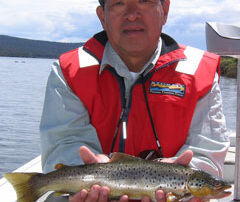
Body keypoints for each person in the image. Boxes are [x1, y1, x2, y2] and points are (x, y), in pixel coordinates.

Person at [40, 0, 230, 201]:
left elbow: (207, 152)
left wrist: (184, 173)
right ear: (102, 16)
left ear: (164, 10)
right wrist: (88, 173)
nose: (132, 14)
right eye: (119, 3)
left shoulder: (200, 72)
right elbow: (64, 146)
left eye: (144, 1)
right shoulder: (69, 71)